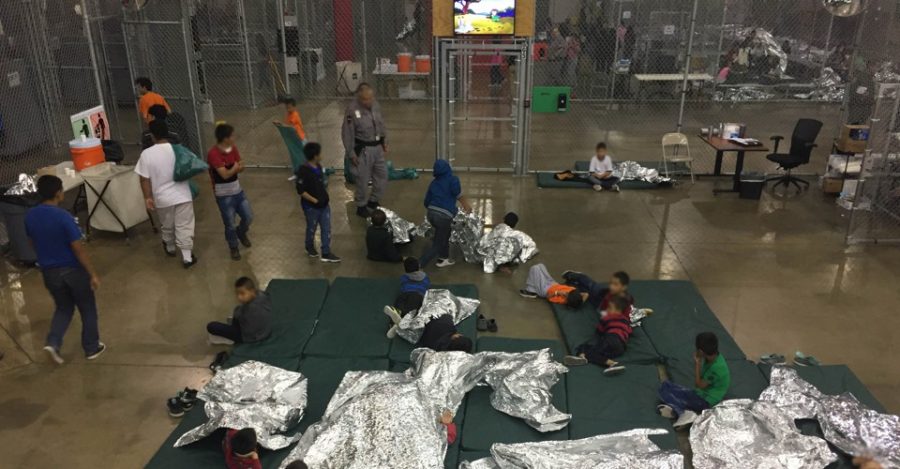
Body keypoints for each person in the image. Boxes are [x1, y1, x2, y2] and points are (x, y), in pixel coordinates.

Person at [25, 175, 106, 364]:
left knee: (63, 307)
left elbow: (31, 242)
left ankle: (53, 342)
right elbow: (78, 249)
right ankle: (92, 348)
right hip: (72, 271)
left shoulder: (30, 215)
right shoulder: (64, 217)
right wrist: (92, 273)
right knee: (87, 308)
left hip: (49, 272)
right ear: (58, 193)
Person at [137, 120, 197, 268]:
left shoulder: (146, 154)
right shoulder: (178, 149)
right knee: (184, 226)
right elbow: (191, 165)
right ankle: (187, 258)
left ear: (152, 136)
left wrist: (147, 197)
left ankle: (170, 247)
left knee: (167, 224)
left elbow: (144, 179)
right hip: (183, 195)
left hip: (162, 198)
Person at [657, 332, 731, 429]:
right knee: (666, 385)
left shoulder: (716, 368)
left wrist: (697, 363)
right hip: (702, 393)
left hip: (706, 400)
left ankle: (683, 413)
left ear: (700, 351)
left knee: (664, 393)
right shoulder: (713, 358)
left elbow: (698, 384)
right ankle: (675, 410)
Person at [208, 123, 253, 261]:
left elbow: (241, 164)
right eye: (232, 135)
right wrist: (235, 168)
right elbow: (224, 175)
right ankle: (233, 246)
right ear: (225, 138)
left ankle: (242, 232)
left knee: (248, 217)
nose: (234, 138)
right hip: (224, 195)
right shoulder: (213, 154)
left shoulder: (233, 149)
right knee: (230, 223)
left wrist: (235, 167)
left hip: (237, 191)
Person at [342, 84, 389, 218]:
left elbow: (380, 124)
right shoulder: (352, 110)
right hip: (363, 149)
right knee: (362, 179)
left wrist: (384, 140)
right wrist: (351, 153)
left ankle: (373, 200)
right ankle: (361, 205)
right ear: (359, 98)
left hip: (377, 147)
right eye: (365, 99)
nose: (368, 102)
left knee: (382, 175)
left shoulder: (375, 105)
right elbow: (347, 133)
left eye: (370, 98)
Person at [420, 159, 471, 268]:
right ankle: (420, 263)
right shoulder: (453, 180)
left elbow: (426, 201)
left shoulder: (433, 183)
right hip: (444, 216)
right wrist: (466, 206)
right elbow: (458, 194)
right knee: (439, 243)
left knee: (444, 235)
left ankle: (443, 258)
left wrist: (433, 209)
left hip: (431, 213)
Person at [295, 142, 340, 262]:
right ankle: (309, 246)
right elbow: (301, 191)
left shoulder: (319, 167)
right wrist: (314, 200)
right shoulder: (303, 171)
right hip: (311, 207)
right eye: (319, 153)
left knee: (326, 228)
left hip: (324, 205)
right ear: (315, 156)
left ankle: (326, 252)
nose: (321, 155)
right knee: (312, 227)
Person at [563, 296, 631, 374]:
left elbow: (600, 330)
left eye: (610, 308)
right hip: (621, 348)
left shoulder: (608, 318)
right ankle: (609, 363)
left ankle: (584, 355)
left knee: (588, 349)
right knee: (599, 353)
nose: (607, 310)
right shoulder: (626, 321)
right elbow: (629, 331)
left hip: (611, 339)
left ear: (618, 310)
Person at [207, 277, 272, 345]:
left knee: (211, 326)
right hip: (265, 330)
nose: (239, 297)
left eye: (242, 293)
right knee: (238, 310)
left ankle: (230, 339)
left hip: (251, 337)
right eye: (237, 294)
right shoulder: (262, 295)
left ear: (252, 291)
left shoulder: (252, 309)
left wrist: (238, 317)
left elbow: (247, 330)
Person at [383, 257, 431, 338]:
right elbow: (427, 286)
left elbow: (402, 285)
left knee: (398, 306)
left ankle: (394, 322)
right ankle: (403, 323)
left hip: (404, 294)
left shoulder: (404, 277)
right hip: (418, 295)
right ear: (418, 266)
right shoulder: (425, 277)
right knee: (412, 311)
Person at [562, 270, 634, 313]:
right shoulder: (610, 292)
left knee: (584, 291)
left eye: (615, 284)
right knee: (591, 285)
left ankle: (573, 283)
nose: (611, 286)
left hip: (598, 304)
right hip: (601, 294)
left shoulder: (625, 301)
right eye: (611, 283)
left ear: (624, 287)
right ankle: (575, 275)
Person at [519, 263, 586, 309]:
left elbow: (548, 297)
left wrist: (557, 293)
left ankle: (530, 291)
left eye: (567, 295)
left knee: (534, 269)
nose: (566, 293)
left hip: (545, 290)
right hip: (553, 283)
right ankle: (532, 289)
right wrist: (580, 302)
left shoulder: (562, 300)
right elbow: (586, 294)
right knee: (541, 265)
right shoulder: (574, 293)